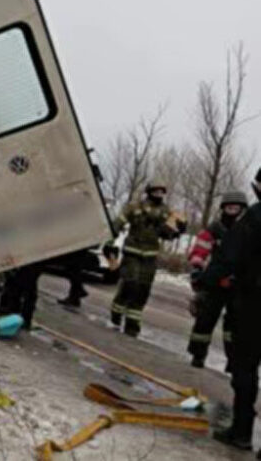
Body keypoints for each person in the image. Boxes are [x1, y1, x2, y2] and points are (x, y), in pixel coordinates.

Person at [213, 168, 261, 452]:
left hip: (253, 307)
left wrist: (207, 282)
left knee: (245, 370)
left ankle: (241, 432)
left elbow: (228, 257)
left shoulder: (253, 218)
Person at [109, 180, 186, 337]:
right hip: (132, 252)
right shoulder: (135, 207)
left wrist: (178, 230)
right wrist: (111, 242)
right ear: (149, 192)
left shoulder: (166, 212)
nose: (158, 195)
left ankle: (133, 323)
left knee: (143, 289)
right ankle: (116, 313)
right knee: (130, 283)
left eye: (161, 192)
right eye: (155, 191)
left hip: (150, 256)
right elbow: (118, 223)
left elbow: (169, 234)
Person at [187, 191, 250, 369]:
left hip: (238, 284)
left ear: (243, 210)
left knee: (234, 326)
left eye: (236, 208)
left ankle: (233, 361)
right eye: (229, 208)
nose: (232, 211)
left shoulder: (248, 230)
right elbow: (200, 249)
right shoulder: (215, 228)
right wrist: (197, 269)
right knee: (204, 319)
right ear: (223, 209)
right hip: (214, 282)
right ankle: (198, 355)